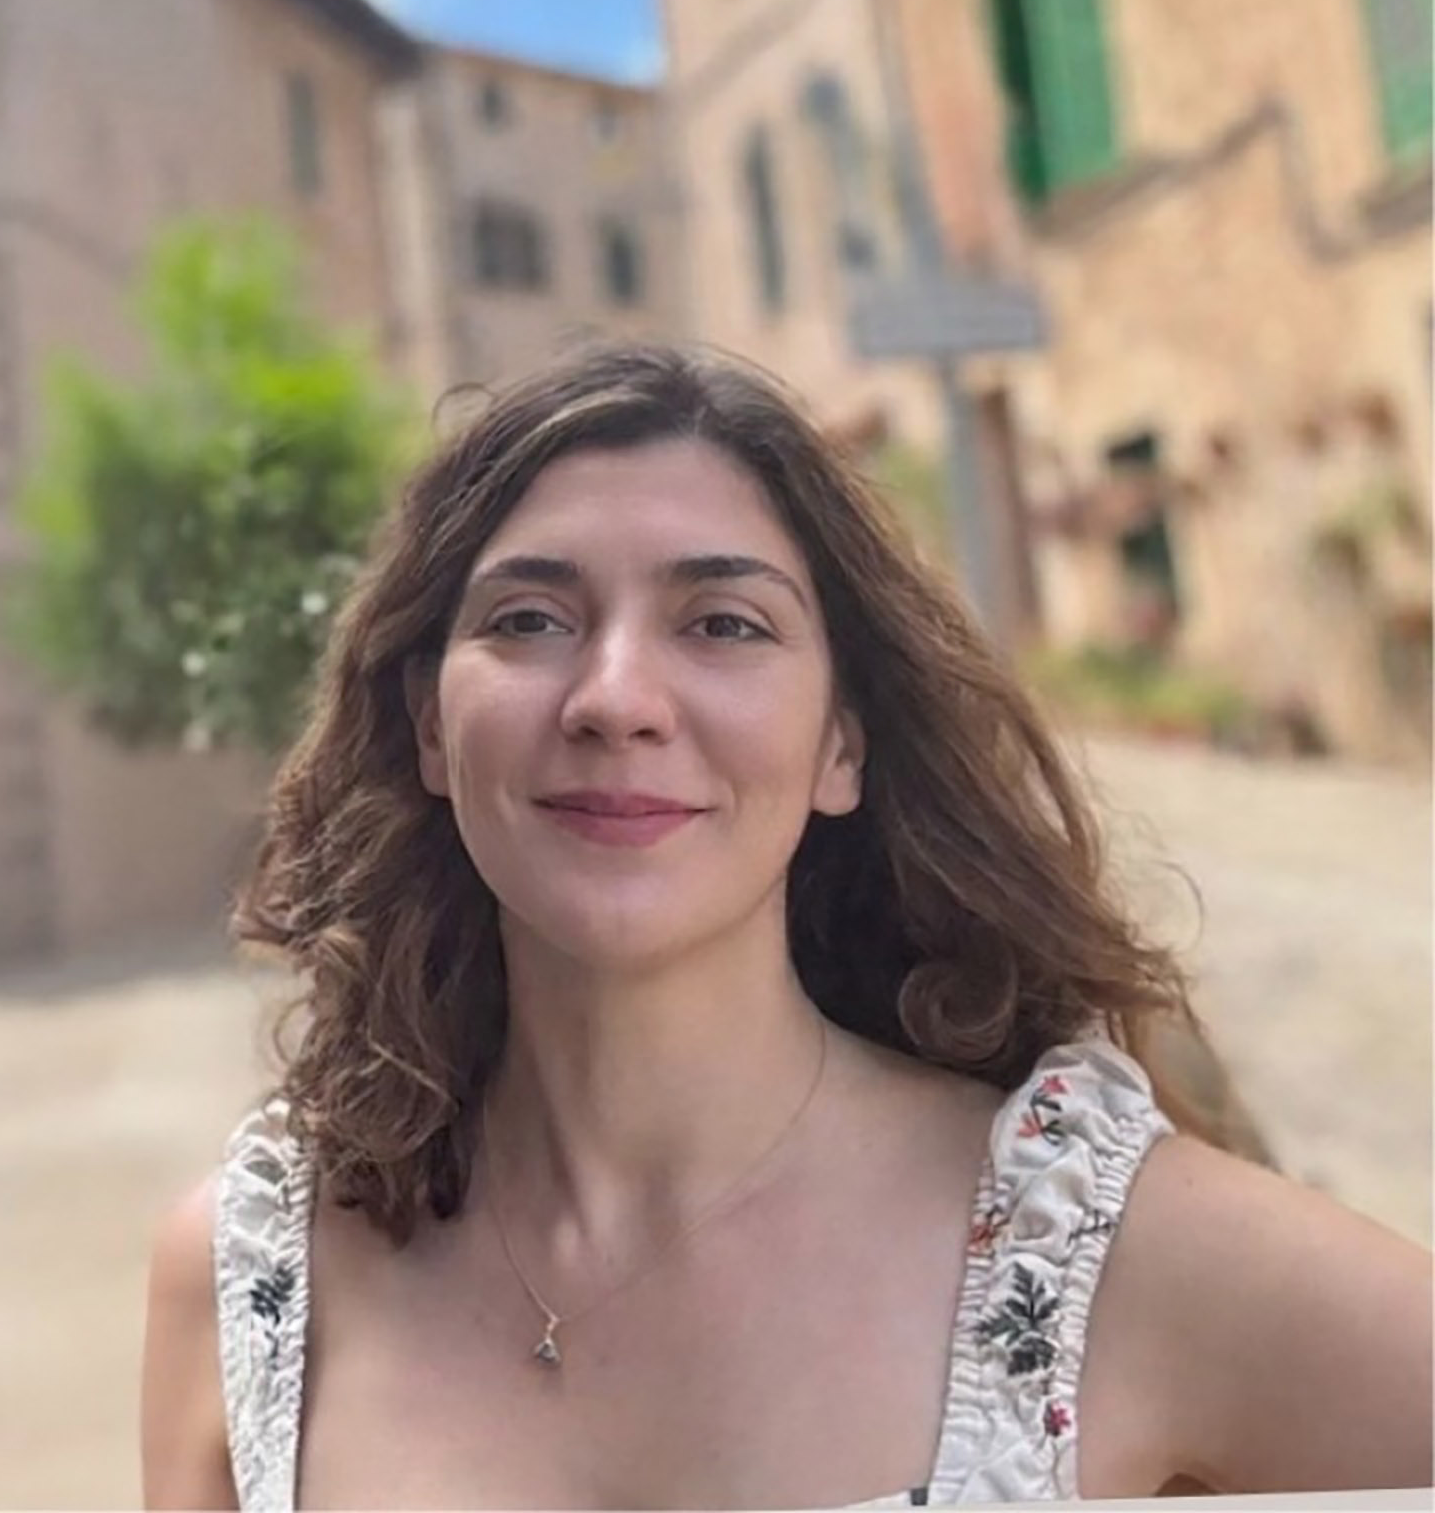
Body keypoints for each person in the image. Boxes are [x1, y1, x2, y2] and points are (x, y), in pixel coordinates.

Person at [141, 341, 1432, 1509]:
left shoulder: (1095, 1247)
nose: (617, 699)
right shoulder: (253, 1278)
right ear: (430, 725)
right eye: (530, 619)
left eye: (724, 623)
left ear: (842, 745)